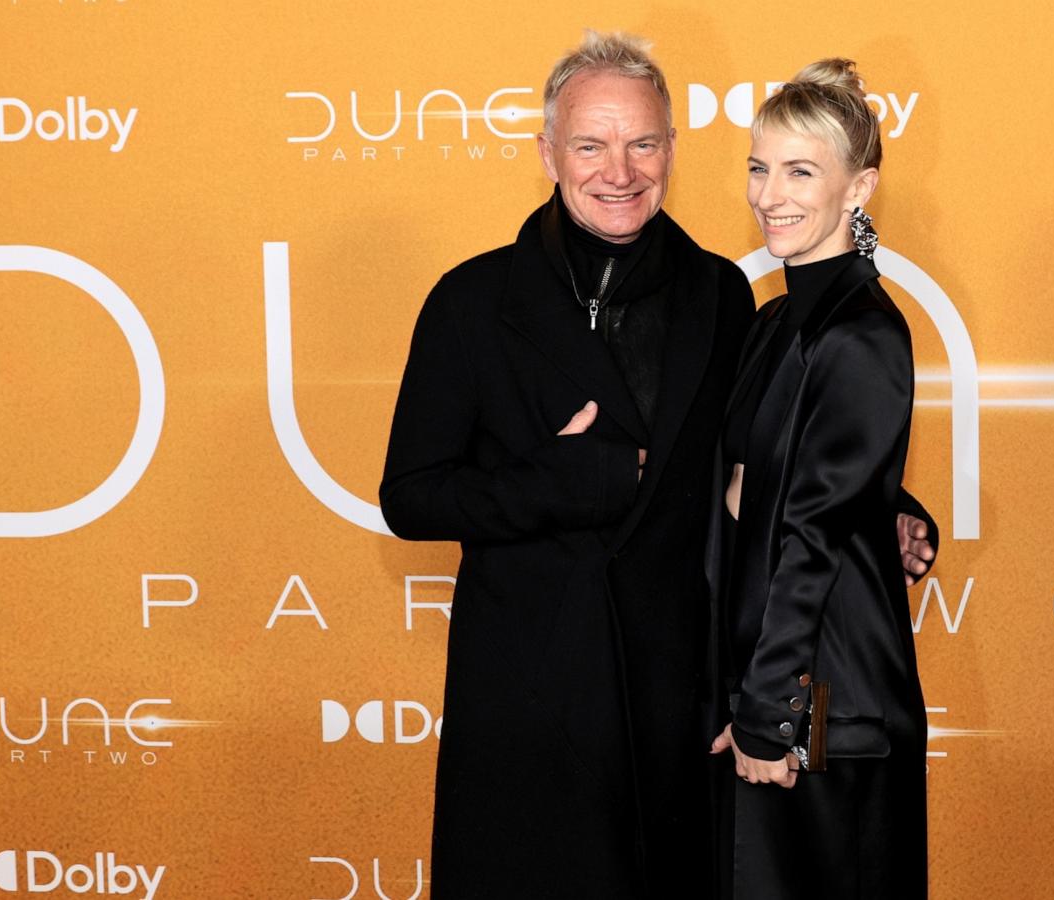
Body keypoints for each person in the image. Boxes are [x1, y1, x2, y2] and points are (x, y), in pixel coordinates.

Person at [379, 33, 935, 900]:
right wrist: (560, 484)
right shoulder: (471, 300)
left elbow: (760, 448)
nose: (620, 171)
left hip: (676, 699)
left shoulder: (721, 294)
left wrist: (883, 503)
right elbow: (409, 497)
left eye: (642, 143)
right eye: (591, 145)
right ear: (548, 152)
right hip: (529, 696)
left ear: (672, 149)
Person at [707, 59, 928, 899]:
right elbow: (773, 477)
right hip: (779, 679)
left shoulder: (864, 333)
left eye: (801, 171)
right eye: (759, 168)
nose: (771, 194)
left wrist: (770, 711)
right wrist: (896, 507)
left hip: (826, 703)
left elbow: (813, 533)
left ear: (858, 187)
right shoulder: (775, 323)